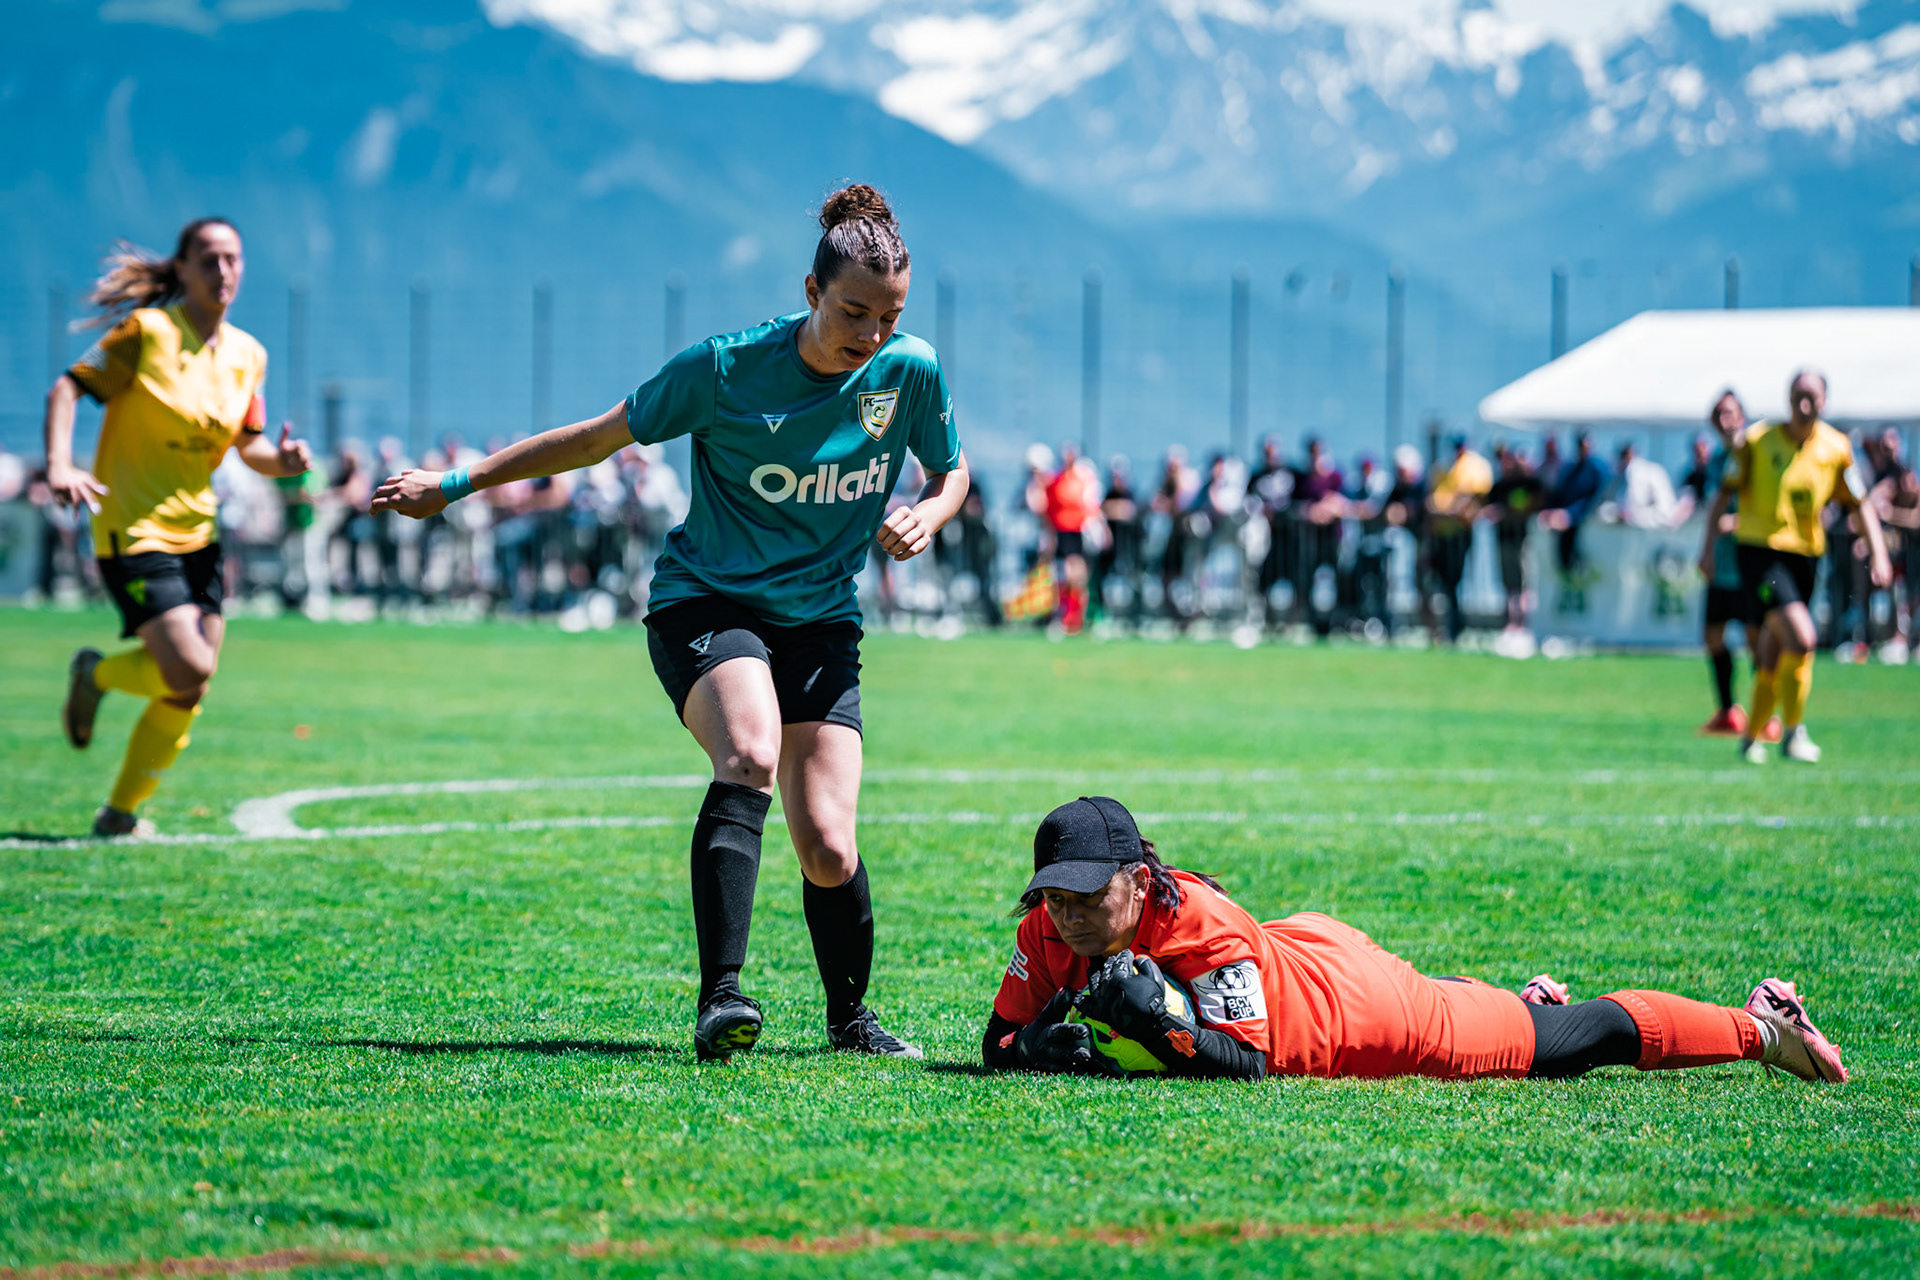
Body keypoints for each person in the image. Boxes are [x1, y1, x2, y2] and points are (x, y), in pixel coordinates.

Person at [373, 185, 965, 1061]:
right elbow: (594, 439)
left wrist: (931, 512)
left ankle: (851, 1023)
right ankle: (721, 998)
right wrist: (454, 485)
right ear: (811, 291)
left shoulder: (910, 371)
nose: (872, 334)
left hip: (821, 622)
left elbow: (951, 471)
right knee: (750, 753)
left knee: (829, 846)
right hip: (709, 603)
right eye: (854, 312)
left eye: (890, 316)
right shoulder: (723, 369)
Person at [982, 797, 1846, 1085]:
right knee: (1506, 1016)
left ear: (1139, 881)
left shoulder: (1197, 924)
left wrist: (1158, 1025)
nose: (1068, 915)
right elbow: (998, 1043)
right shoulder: (1046, 928)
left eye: (1088, 895)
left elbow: (1244, 1067)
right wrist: (1036, 1051)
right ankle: (1512, 1001)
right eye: (1055, 896)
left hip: (1365, 1014)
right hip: (1298, 955)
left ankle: (1763, 1025)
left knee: (1573, 1043)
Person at [48, 218, 312, 837]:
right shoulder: (146, 333)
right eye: (209, 259)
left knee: (189, 687)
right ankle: (96, 675)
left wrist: (284, 462)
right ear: (184, 269)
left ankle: (119, 814)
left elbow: (249, 445)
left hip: (199, 532)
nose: (223, 271)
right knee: (190, 668)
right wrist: (60, 463)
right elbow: (66, 390)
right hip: (133, 527)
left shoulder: (249, 355)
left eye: (233, 259)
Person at [1702, 370, 1891, 765]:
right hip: (1761, 554)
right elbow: (1723, 494)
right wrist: (1707, 549)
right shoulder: (1758, 441)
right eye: (1797, 395)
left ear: (1825, 400)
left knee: (1772, 651)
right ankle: (1793, 733)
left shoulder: (1837, 448)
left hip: (1806, 557)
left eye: (1811, 396)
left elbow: (1859, 504)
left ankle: (1751, 738)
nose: (1804, 403)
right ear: (1787, 398)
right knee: (1802, 637)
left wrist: (1879, 553)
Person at [1695, 393, 1762, 738]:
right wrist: (1706, 550)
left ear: (1742, 416)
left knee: (1756, 640)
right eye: (1719, 413)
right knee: (1712, 636)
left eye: (1731, 412)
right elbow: (1714, 508)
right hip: (1721, 565)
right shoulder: (1717, 461)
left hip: (1751, 564)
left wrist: (1736, 523)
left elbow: (1764, 507)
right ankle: (1727, 711)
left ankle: (1767, 715)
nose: (1725, 419)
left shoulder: (1755, 454)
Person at [1426, 434, 1491, 643]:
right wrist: (1447, 511)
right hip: (1442, 534)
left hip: (1461, 534)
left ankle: (1458, 626)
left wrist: (1454, 510)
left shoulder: (1475, 466)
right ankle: (1450, 626)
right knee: (1445, 583)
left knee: (1458, 580)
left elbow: (1473, 501)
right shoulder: (1443, 467)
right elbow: (1433, 501)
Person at [1482, 445, 1544, 637]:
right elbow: (1488, 508)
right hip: (1503, 538)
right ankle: (1510, 624)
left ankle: (1523, 625)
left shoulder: (1529, 483)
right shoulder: (1499, 486)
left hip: (1523, 540)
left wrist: (1508, 512)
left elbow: (1534, 505)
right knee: (1508, 584)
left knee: (1525, 583)